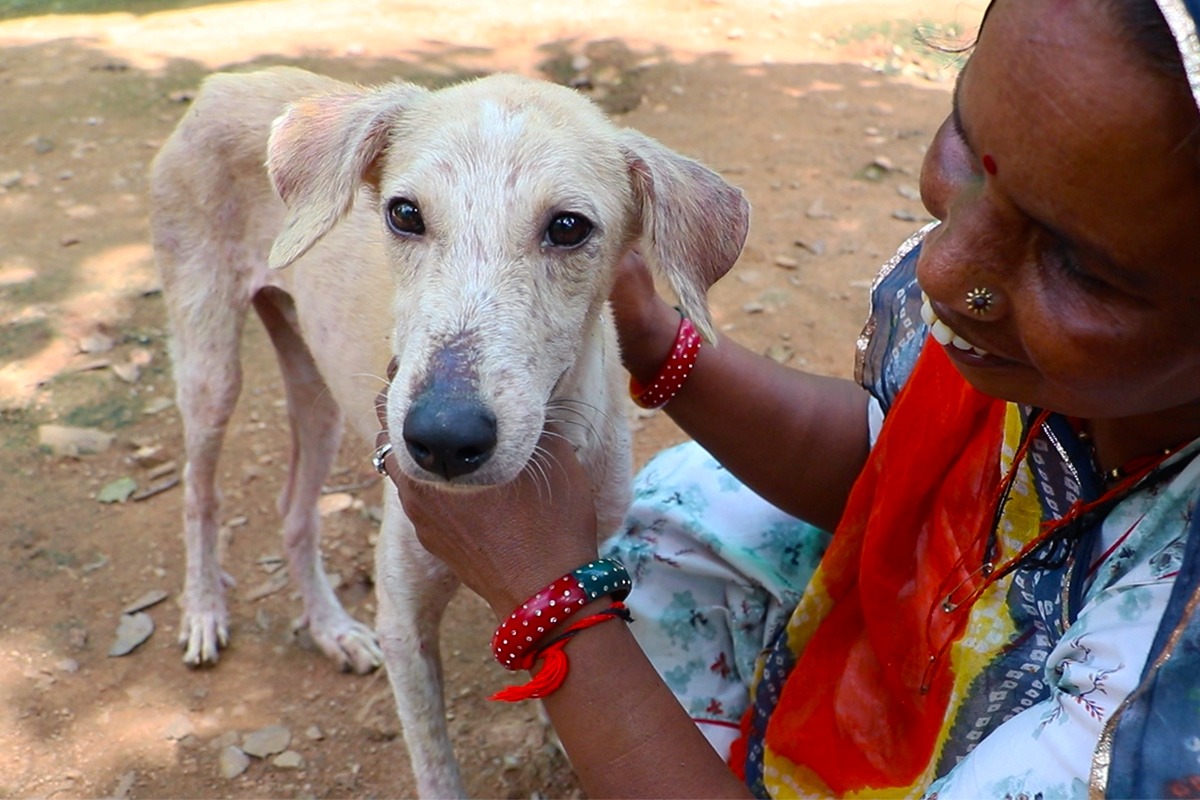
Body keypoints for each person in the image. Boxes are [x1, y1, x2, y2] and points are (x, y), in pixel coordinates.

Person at [377, 0, 1200, 796]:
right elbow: (891, 459)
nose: (944, 272)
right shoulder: (1049, 354)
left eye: (1079, 265)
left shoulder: (1166, 697)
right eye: (966, 135)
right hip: (912, 626)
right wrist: (659, 339)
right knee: (675, 510)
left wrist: (549, 601)